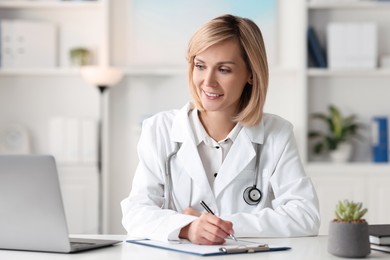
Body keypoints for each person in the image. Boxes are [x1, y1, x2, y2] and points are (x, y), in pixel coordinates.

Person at [121, 14, 320, 245]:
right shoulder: (159, 129)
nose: (208, 81)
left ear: (251, 75)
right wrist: (187, 229)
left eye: (224, 69)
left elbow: (305, 217)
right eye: (200, 66)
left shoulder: (277, 134)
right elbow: (135, 213)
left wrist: (216, 224)